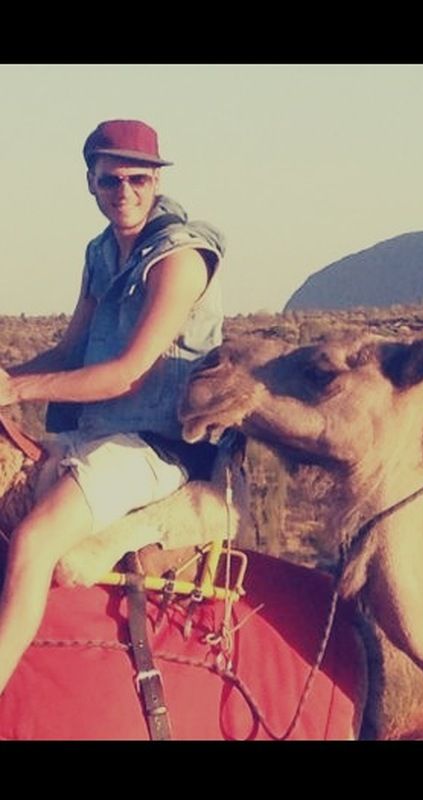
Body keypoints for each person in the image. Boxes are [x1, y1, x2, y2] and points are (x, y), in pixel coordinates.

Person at [0, 120, 225, 695]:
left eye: (137, 178)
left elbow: (128, 375)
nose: (123, 192)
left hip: (156, 444)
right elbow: (73, 349)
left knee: (35, 540)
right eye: (110, 181)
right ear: (91, 184)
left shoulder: (180, 257)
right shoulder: (100, 254)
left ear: (155, 180)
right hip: (97, 434)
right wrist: (7, 378)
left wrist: (21, 391)